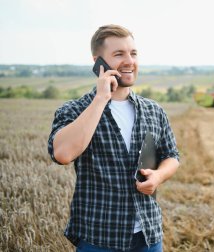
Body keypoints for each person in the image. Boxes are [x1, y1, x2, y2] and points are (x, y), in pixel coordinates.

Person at [47, 24, 180, 252]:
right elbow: (63, 154)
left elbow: (172, 156)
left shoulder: (154, 110)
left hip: (148, 236)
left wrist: (158, 176)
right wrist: (100, 99)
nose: (129, 61)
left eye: (133, 53)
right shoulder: (74, 110)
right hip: (98, 237)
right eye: (119, 54)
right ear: (98, 62)